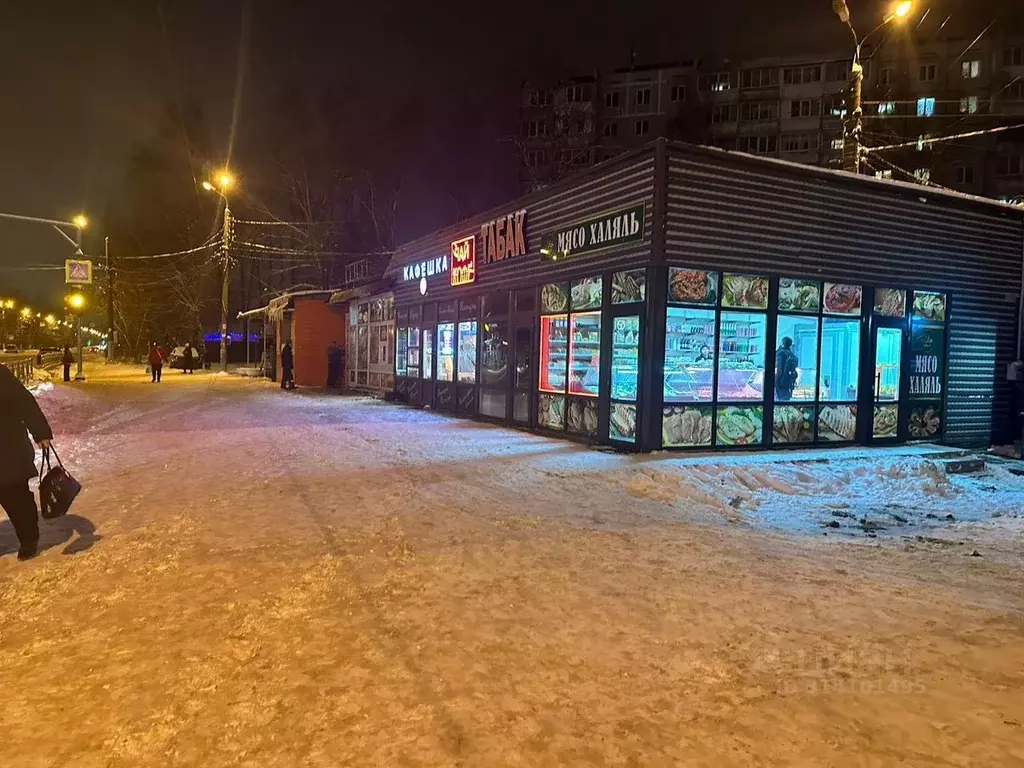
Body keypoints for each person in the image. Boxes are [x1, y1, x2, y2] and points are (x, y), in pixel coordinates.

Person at [0, 363, 53, 560]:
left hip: (6, 449)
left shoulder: (1, 375)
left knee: (15, 498)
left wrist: (40, 432)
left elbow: (25, 402)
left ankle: (29, 538)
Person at [775, 336, 799, 401]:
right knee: (786, 401)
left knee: (779, 402)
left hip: (781, 383)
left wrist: (776, 383)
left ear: (782, 343)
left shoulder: (780, 354)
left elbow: (780, 370)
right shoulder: (792, 355)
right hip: (789, 383)